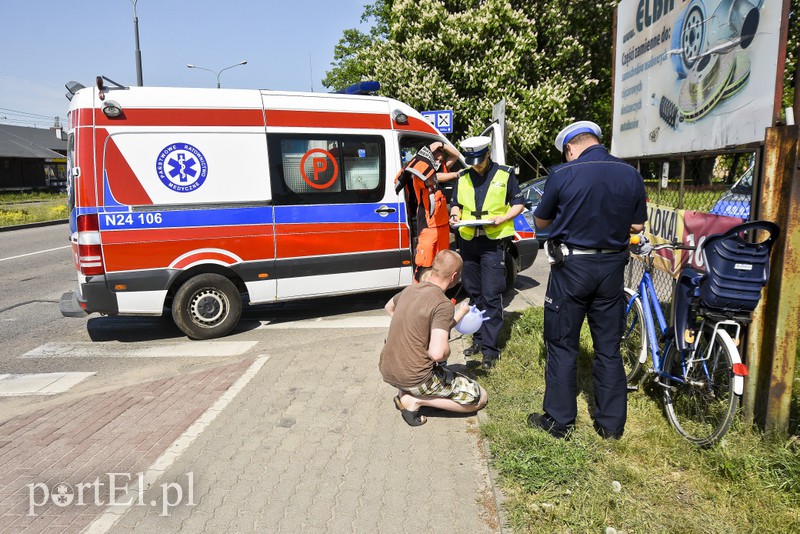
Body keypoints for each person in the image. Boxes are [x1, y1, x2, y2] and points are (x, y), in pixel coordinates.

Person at [527, 120, 647, 440]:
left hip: (572, 267)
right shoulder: (630, 173)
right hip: (612, 268)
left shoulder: (562, 173)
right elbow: (637, 227)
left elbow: (541, 220)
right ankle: (611, 427)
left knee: (562, 344)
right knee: (608, 348)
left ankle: (559, 421)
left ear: (569, 148)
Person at [379, 249, 489, 426]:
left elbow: (388, 307)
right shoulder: (442, 303)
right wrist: (445, 348)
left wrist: (459, 313)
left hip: (388, 370)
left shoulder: (410, 290)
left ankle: (405, 391)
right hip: (415, 377)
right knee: (479, 398)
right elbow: (437, 354)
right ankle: (414, 401)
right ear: (454, 276)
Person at [449, 136, 525, 370]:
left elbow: (519, 203)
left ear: (488, 154)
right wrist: (454, 215)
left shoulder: (505, 174)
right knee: (474, 294)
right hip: (468, 241)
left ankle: (490, 351)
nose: (476, 166)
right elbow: (456, 203)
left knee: (491, 296)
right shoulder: (463, 176)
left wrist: (504, 217)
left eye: (480, 161)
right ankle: (478, 340)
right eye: (472, 162)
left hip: (493, 243)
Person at [396, 141, 460, 280]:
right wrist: (456, 174)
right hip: (428, 228)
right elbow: (433, 179)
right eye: (438, 153)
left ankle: (438, 291)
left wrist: (441, 144)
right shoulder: (419, 173)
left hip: (442, 227)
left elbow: (455, 155)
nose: (441, 157)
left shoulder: (439, 168)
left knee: (442, 266)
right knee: (424, 266)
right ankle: (419, 291)